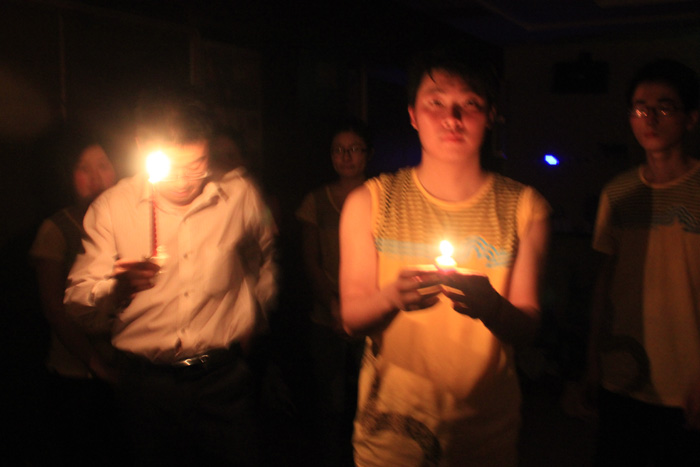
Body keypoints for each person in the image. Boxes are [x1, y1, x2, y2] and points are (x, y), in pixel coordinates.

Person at [339, 48, 550, 466]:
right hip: (392, 434)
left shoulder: (525, 208)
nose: (452, 118)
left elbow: (527, 327)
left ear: (490, 114)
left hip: (484, 434)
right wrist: (392, 297)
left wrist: (492, 308)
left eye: (469, 104)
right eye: (435, 103)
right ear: (413, 115)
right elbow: (351, 319)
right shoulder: (370, 202)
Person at [64, 87, 277, 466]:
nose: (183, 180)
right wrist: (117, 289)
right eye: (170, 166)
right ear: (141, 146)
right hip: (146, 388)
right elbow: (78, 302)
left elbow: (263, 256)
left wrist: (254, 318)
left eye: (197, 164)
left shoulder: (239, 194)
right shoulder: (113, 208)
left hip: (224, 381)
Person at [586, 59, 700, 466]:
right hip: (625, 371)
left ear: (690, 118)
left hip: (687, 378)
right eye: (639, 108)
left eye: (664, 107)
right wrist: (592, 358)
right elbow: (605, 281)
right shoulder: (618, 193)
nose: (649, 118)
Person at [29, 129, 121, 465]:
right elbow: (54, 309)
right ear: (66, 175)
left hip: (128, 368)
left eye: (104, 165)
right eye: (84, 168)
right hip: (77, 375)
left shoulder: (127, 221)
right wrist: (97, 365)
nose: (98, 178)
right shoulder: (57, 230)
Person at [296, 118, 372, 465]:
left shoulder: (381, 197)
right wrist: (333, 304)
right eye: (338, 150)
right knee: (330, 400)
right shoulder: (316, 201)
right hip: (326, 316)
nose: (345, 156)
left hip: (371, 314)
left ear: (367, 154)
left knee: (368, 398)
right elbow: (311, 261)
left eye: (353, 149)